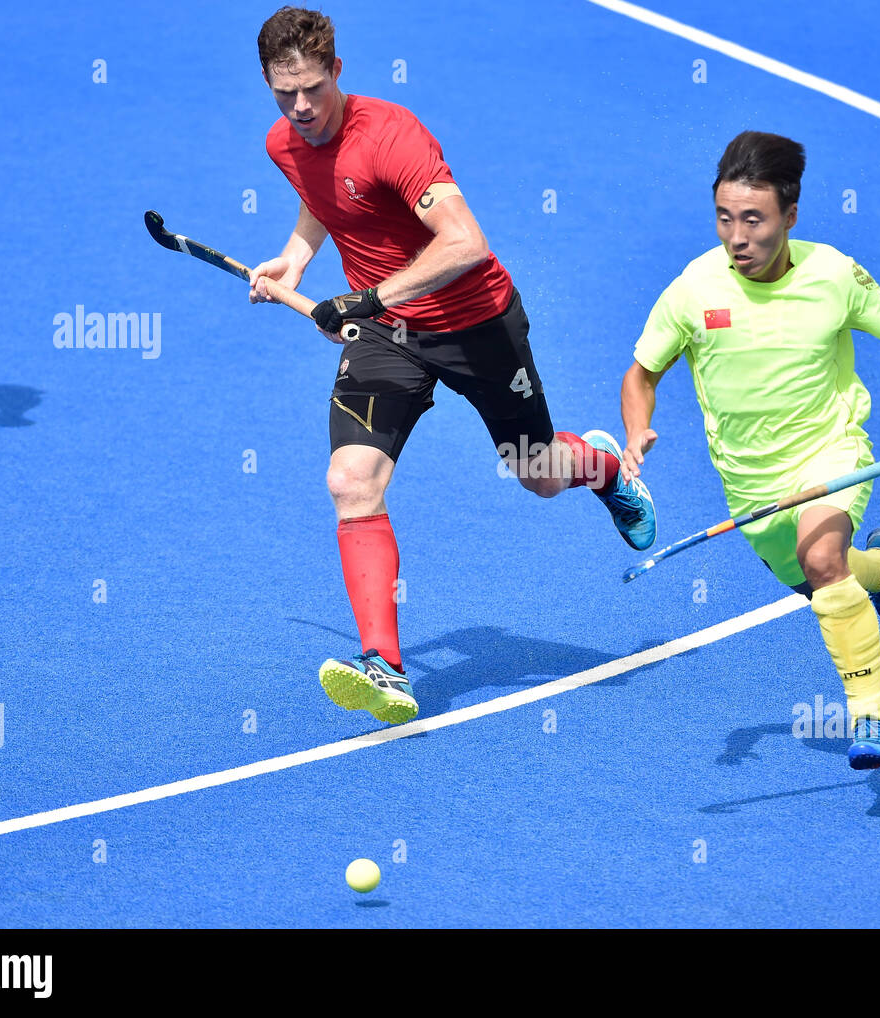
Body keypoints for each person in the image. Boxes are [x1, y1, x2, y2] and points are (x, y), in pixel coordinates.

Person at [248, 7, 656, 726]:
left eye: (313, 89)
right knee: (351, 481)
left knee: (536, 475)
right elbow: (328, 198)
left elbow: (464, 242)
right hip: (386, 335)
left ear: (338, 71)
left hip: (477, 324)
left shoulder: (393, 136)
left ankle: (602, 467)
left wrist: (366, 296)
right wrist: (297, 256)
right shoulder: (286, 141)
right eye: (286, 94)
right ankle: (387, 668)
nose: (302, 108)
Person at [620, 131, 880, 769]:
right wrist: (636, 431)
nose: (737, 237)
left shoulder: (833, 275)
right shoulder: (693, 289)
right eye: (724, 218)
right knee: (827, 579)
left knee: (822, 559)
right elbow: (641, 375)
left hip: (831, 449)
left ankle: (874, 720)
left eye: (754, 220)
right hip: (750, 485)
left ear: (790, 216)